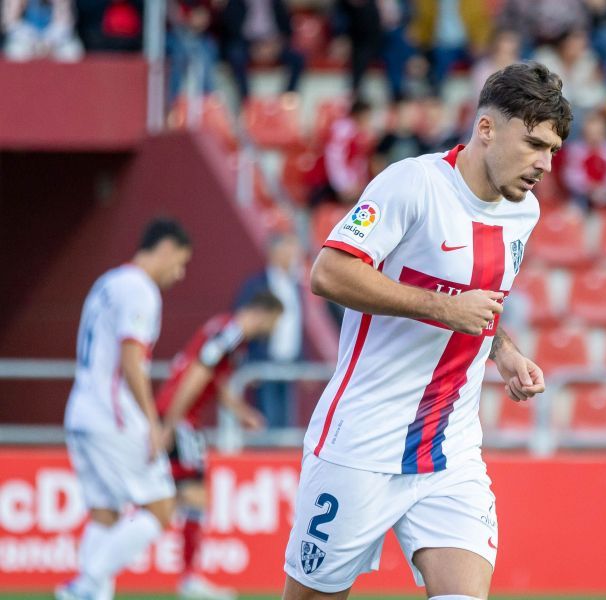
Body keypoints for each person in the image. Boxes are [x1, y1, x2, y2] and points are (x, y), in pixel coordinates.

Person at [281, 61, 571, 599]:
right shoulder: (411, 184)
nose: (546, 165)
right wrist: (443, 308)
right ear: (486, 128)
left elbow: (482, 302)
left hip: (449, 447)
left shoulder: (522, 213)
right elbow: (329, 272)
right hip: (362, 442)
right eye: (534, 144)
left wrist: (502, 351)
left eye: (552, 150)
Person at [57, 219, 193, 600]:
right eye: (180, 262)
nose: (178, 273)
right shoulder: (140, 289)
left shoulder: (107, 283)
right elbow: (132, 360)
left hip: (81, 411)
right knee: (162, 507)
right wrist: (153, 422)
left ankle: (89, 591)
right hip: (112, 415)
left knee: (105, 512)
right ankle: (83, 586)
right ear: (165, 248)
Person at [156, 291, 282, 600]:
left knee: (181, 497)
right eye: (274, 322)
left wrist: (242, 413)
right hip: (182, 420)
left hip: (181, 418)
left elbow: (215, 379)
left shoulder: (227, 333)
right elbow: (199, 371)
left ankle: (189, 579)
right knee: (190, 498)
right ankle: (189, 581)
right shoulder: (232, 331)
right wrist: (171, 423)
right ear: (263, 314)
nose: (273, 330)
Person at [234, 232, 304, 428]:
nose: (294, 254)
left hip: (289, 364)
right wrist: (250, 361)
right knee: (267, 422)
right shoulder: (256, 284)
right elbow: (242, 325)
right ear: (275, 252)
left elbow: (297, 327)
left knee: (286, 422)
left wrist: (301, 360)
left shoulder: (295, 286)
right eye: (289, 248)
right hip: (263, 365)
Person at [221, 0, 304, 102]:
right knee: (235, 54)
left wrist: (276, 44)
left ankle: (286, 100)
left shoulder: (277, 3)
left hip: (273, 43)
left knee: (298, 57)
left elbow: (287, 29)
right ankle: (246, 101)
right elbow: (229, 28)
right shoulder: (235, 3)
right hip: (246, 43)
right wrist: (254, 46)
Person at [562, 110, 606, 211]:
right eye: (591, 133)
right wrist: (589, 187)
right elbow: (570, 177)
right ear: (584, 133)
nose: (594, 137)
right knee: (573, 210)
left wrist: (605, 188)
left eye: (598, 133)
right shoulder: (575, 150)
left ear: (605, 133)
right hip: (582, 195)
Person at [2, 0, 83, 61]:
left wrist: (48, 42)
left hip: (53, 40)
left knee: (71, 51)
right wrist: (32, 40)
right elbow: (10, 23)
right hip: (26, 39)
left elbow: (65, 23)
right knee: (16, 52)